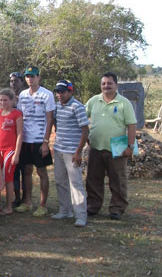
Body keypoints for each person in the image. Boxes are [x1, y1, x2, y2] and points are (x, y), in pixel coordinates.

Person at [85, 72, 136, 220]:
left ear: (116, 85)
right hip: (95, 147)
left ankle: (117, 209)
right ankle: (93, 207)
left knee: (118, 180)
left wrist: (130, 147)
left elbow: (131, 126)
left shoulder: (124, 103)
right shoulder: (94, 101)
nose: (106, 86)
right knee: (93, 179)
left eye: (109, 83)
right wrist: (86, 136)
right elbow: (81, 118)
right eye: (104, 84)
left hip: (117, 149)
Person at [15, 66, 56, 217]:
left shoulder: (47, 94)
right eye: (27, 76)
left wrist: (46, 142)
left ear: (39, 77)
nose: (30, 79)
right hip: (25, 139)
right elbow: (20, 115)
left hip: (39, 139)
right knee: (26, 170)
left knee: (42, 171)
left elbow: (50, 118)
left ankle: (43, 205)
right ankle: (27, 202)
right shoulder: (23, 95)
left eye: (32, 76)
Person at [52, 80, 89, 227]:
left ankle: (80, 215)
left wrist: (78, 152)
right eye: (57, 92)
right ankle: (65, 210)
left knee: (75, 184)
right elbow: (56, 123)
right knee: (60, 181)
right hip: (59, 149)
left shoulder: (77, 107)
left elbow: (85, 130)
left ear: (70, 91)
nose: (59, 95)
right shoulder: (57, 106)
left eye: (62, 91)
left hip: (72, 152)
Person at [0, 88, 23, 215]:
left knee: (8, 178)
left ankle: (9, 206)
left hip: (10, 150)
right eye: (1, 100)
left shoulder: (16, 114)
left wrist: (17, 153)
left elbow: (20, 134)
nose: (3, 103)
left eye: (6, 100)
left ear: (12, 100)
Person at [9, 71, 26, 207]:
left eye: (16, 80)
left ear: (22, 82)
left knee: (25, 170)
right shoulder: (8, 96)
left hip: (25, 137)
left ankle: (26, 198)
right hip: (10, 137)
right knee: (13, 171)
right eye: (11, 81)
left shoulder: (26, 96)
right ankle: (16, 198)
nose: (13, 83)